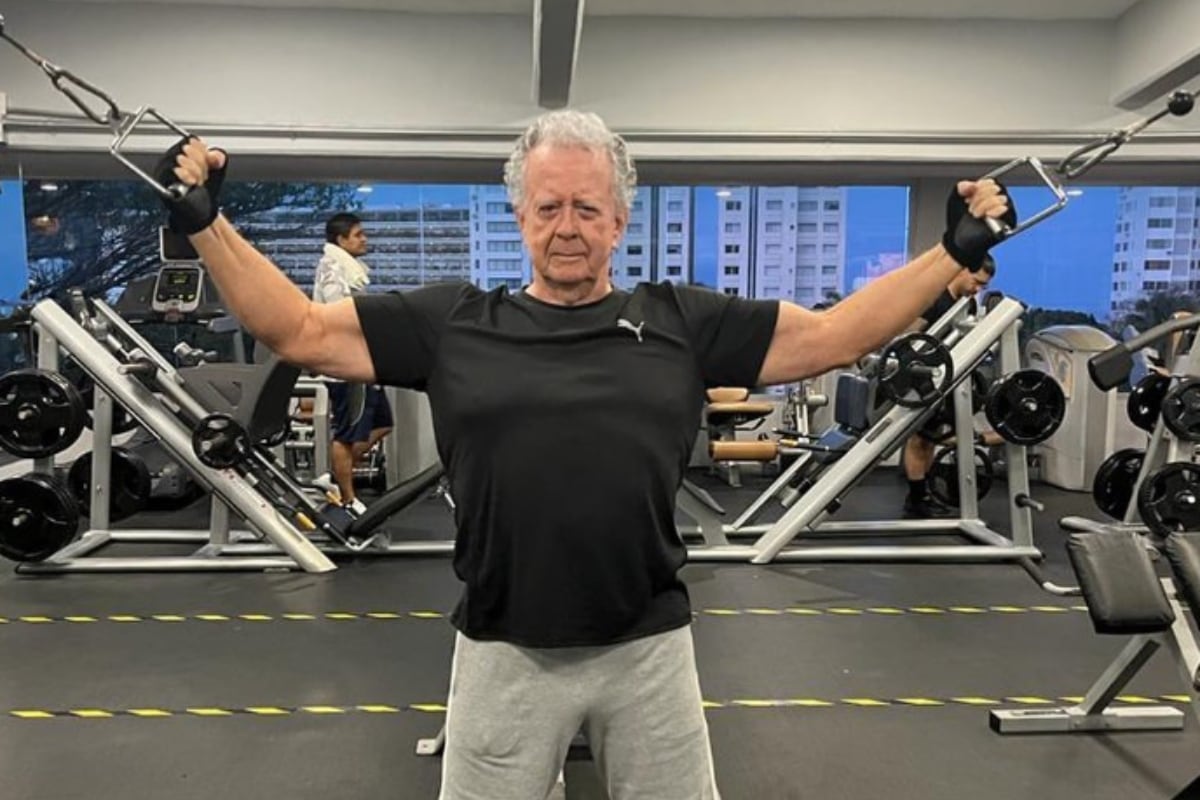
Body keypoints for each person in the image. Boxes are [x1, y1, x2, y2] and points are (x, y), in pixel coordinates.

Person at [154, 110, 1014, 800]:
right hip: (501, 652)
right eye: (549, 207)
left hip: (649, 651)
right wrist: (205, 223)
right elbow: (295, 329)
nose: (568, 228)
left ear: (620, 218)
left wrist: (950, 257)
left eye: (587, 209)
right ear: (521, 214)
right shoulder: (453, 321)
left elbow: (831, 337)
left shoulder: (684, 320)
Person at [900, 257, 995, 518]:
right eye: (976, 282)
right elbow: (910, 336)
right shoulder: (934, 298)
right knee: (919, 439)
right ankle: (916, 499)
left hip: (948, 378)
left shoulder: (969, 304)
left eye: (982, 286)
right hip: (921, 378)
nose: (977, 289)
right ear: (963, 270)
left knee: (930, 438)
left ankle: (923, 495)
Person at [311, 212, 393, 514]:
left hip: (362, 361)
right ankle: (347, 497)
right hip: (345, 365)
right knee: (346, 435)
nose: (364, 239)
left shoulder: (349, 268)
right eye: (358, 234)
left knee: (383, 425)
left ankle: (332, 477)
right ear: (340, 240)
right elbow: (338, 314)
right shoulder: (333, 268)